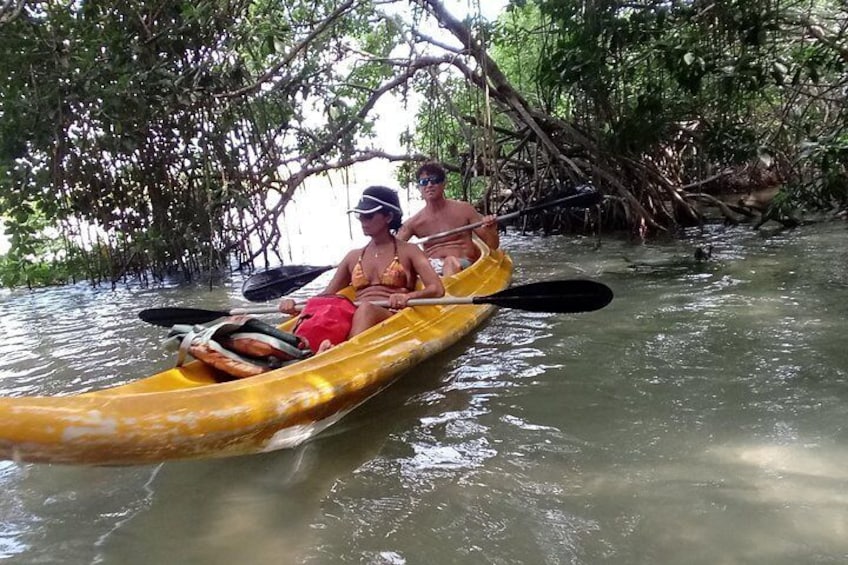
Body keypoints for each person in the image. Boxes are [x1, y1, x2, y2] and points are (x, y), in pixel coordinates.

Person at [279, 186, 444, 352]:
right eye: (360, 215)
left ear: (388, 216)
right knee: (339, 309)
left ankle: (344, 352)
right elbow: (327, 296)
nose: (363, 221)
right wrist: (295, 305)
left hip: (391, 314)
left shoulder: (410, 251)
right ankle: (307, 349)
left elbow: (437, 289)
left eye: (369, 216)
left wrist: (408, 296)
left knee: (366, 308)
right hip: (355, 315)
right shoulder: (353, 256)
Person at [397, 162, 499, 277]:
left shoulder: (464, 209)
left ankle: (445, 292)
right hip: (433, 269)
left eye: (434, 180)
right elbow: (392, 247)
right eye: (424, 182)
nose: (429, 185)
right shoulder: (413, 223)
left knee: (450, 262)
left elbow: (492, 246)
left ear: (444, 183)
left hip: (463, 265)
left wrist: (491, 229)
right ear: (419, 187)